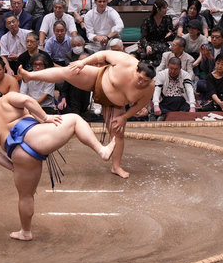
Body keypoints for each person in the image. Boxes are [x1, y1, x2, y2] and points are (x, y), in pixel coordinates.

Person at [0, 89, 116, 240]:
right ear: (0, 96)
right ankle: (101, 150)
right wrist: (46, 117)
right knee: (75, 119)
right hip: (35, 136)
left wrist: (12, 167)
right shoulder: (7, 98)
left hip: (18, 154)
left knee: (25, 197)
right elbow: (27, 101)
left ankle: (25, 232)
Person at [19, 51, 154, 179]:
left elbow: (139, 105)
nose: (141, 82)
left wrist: (124, 117)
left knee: (117, 133)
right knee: (68, 71)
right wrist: (83, 63)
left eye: (145, 81)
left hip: (115, 104)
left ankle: (116, 167)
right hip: (99, 79)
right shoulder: (126, 61)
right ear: (135, 70)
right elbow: (103, 55)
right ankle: (30, 76)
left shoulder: (149, 88)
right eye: (140, 78)